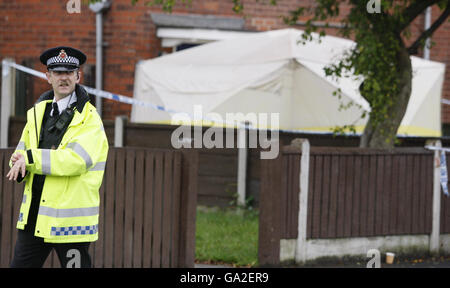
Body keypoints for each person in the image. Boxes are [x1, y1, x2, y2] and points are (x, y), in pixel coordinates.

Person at [6, 46, 109, 268]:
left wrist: (30, 159)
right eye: (58, 72)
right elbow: (21, 152)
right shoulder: (36, 113)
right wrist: (17, 162)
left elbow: (75, 161)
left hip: (70, 224)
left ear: (77, 76)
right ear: (48, 76)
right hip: (35, 218)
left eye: (69, 72)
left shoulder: (90, 119)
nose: (64, 77)